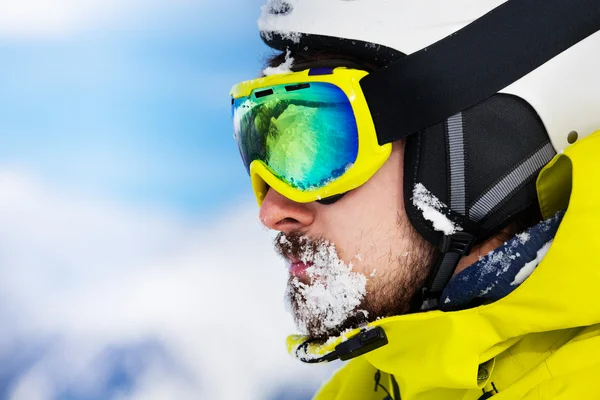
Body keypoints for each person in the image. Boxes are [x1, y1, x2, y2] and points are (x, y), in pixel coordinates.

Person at [230, 0, 600, 398]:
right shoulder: (358, 390)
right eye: (260, 142)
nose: (273, 211)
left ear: (485, 144)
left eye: (320, 143)